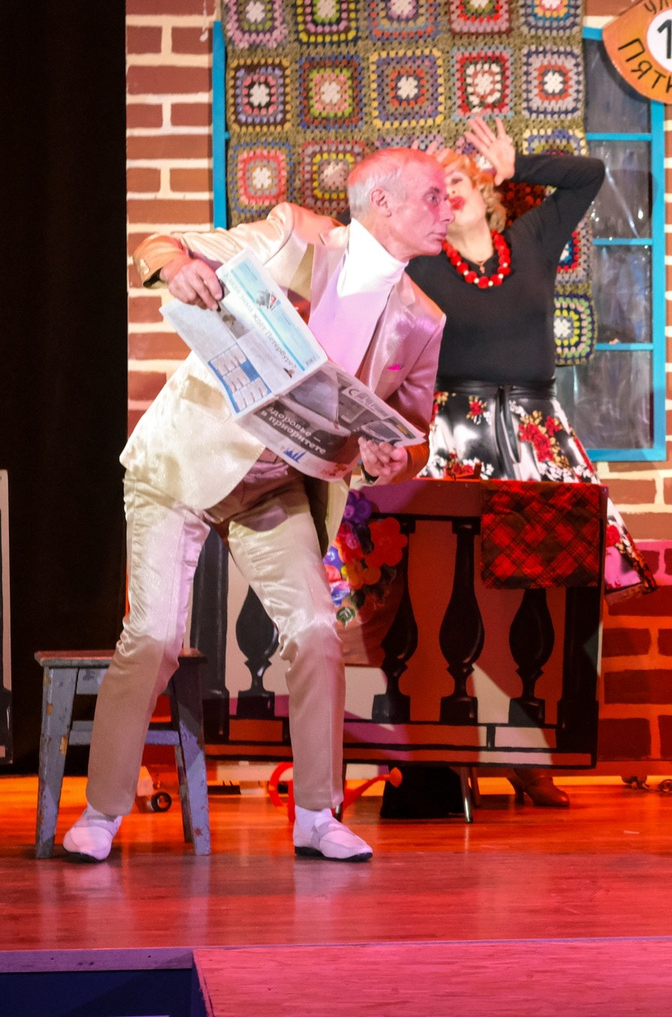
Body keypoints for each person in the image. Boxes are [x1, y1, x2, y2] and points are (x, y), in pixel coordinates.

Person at [64, 149, 450, 862]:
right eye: (434, 197)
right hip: (182, 465)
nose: (448, 211)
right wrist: (176, 269)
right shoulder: (294, 236)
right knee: (153, 637)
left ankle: (317, 814)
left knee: (317, 633)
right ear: (383, 202)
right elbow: (160, 245)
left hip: (275, 486)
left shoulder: (422, 319)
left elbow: (411, 430)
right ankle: (102, 810)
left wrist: (392, 455)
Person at [390, 116, 657, 809]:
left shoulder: (534, 240)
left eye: (455, 180)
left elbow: (588, 176)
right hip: (456, 432)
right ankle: (448, 752)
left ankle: (527, 753)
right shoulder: (417, 265)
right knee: (453, 594)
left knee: (546, 597)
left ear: (486, 189)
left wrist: (521, 165)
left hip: (536, 432)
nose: (446, 196)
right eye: (431, 192)